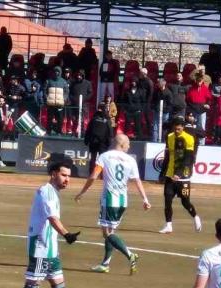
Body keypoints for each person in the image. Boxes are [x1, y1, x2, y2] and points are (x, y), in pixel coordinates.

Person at [13, 158, 89, 288]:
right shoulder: (46, 191)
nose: (67, 179)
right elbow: (52, 218)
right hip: (41, 246)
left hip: (50, 249)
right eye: (64, 175)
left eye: (69, 176)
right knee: (32, 284)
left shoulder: (53, 192)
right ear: (54, 174)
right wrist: (66, 234)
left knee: (58, 284)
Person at [75, 134, 151, 273]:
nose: (129, 146)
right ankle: (105, 264)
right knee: (111, 231)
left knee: (107, 234)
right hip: (123, 201)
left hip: (110, 199)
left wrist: (82, 192)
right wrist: (145, 199)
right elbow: (137, 181)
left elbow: (94, 176)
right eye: (128, 144)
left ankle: (130, 255)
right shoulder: (130, 160)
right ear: (122, 144)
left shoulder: (105, 156)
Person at [159, 116, 202, 234]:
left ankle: (195, 217)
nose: (177, 131)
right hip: (170, 174)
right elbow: (168, 156)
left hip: (183, 176)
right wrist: (162, 173)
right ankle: (168, 225)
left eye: (179, 129)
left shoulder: (189, 138)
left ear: (183, 127)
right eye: (175, 129)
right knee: (167, 200)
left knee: (185, 202)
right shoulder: (169, 137)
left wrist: (179, 173)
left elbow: (188, 158)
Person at [83, 104, 112, 172]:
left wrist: (86, 140)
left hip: (93, 141)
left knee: (93, 158)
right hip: (103, 143)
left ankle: (91, 173)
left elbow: (88, 130)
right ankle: (102, 174)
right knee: (103, 159)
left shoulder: (94, 118)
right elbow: (110, 132)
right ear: (105, 109)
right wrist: (109, 142)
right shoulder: (107, 119)